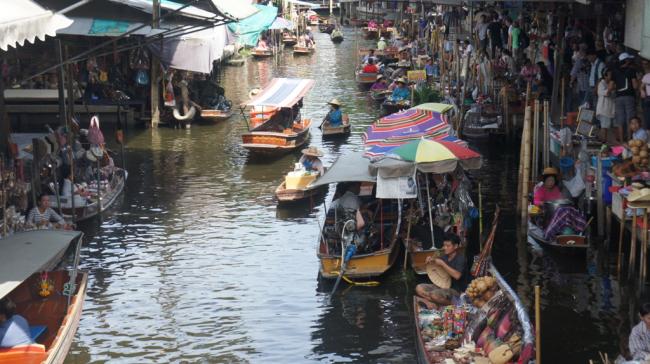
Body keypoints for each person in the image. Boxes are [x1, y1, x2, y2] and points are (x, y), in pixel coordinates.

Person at [415, 233, 466, 307]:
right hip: (442, 286)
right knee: (419, 288)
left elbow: (457, 275)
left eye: (448, 246)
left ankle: (457, 304)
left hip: (456, 290)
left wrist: (442, 264)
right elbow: (434, 265)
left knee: (434, 295)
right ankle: (435, 302)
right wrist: (430, 261)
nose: (445, 248)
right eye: (444, 245)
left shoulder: (460, 259)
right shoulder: (444, 257)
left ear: (455, 246)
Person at [613, 52, 639, 138]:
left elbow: (613, 85)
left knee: (620, 120)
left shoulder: (615, 71)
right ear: (626, 61)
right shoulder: (631, 70)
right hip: (629, 96)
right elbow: (635, 85)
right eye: (629, 59)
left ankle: (621, 141)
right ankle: (629, 139)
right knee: (630, 119)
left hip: (618, 97)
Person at [596, 68, 616, 142]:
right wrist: (611, 87)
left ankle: (602, 141)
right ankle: (602, 142)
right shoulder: (601, 83)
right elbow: (606, 93)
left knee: (605, 127)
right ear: (605, 75)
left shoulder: (611, 84)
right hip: (604, 109)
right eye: (610, 75)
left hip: (609, 109)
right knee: (604, 127)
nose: (611, 76)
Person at [641, 62, 650, 129]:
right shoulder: (646, 76)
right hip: (648, 97)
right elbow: (641, 87)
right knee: (647, 117)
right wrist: (642, 91)